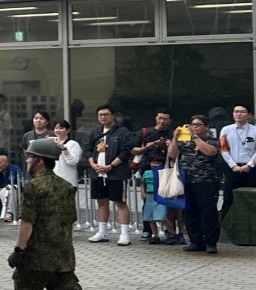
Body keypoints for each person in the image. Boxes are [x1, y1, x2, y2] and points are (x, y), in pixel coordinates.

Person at [0, 138, 110, 290]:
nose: (27, 160)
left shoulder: (34, 187)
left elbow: (27, 223)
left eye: (30, 157)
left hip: (34, 258)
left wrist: (18, 250)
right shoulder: (66, 187)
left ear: (39, 161)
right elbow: (70, 222)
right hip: (62, 257)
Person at [170, 115, 224, 254]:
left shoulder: (211, 140)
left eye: (198, 125)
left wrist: (195, 137)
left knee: (208, 212)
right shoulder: (184, 139)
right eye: (192, 124)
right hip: (186, 180)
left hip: (206, 181)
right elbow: (172, 155)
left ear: (206, 127)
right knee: (190, 212)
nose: (194, 127)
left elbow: (210, 152)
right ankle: (195, 241)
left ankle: (210, 242)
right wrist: (175, 138)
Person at [84, 103, 134, 245]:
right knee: (101, 202)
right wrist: (92, 163)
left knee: (120, 202)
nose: (103, 117)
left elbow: (126, 152)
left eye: (106, 114)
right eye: (100, 115)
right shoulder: (95, 132)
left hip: (116, 173)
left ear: (113, 116)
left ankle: (124, 234)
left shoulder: (122, 132)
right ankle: (102, 232)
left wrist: (111, 166)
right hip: (98, 173)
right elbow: (87, 148)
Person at [132, 110, 174, 244]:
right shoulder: (145, 132)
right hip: (147, 170)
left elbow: (178, 153)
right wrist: (148, 147)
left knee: (167, 203)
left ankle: (170, 232)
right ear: (156, 118)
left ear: (170, 120)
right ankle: (148, 231)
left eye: (165, 119)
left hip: (167, 170)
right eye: (160, 118)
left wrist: (167, 147)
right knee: (148, 202)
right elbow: (133, 150)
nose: (162, 121)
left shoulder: (173, 134)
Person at [218, 103, 255, 220]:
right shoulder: (226, 130)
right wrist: (233, 165)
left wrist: (250, 165)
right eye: (236, 112)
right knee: (229, 199)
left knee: (251, 198)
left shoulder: (254, 130)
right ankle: (226, 227)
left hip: (251, 169)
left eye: (242, 112)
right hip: (232, 169)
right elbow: (224, 149)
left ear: (249, 115)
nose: (239, 114)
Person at [52, 119, 84, 190]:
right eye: (56, 128)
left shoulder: (73, 144)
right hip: (53, 181)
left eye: (61, 128)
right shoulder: (52, 143)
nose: (58, 130)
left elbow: (73, 161)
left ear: (68, 130)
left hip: (68, 181)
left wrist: (64, 149)